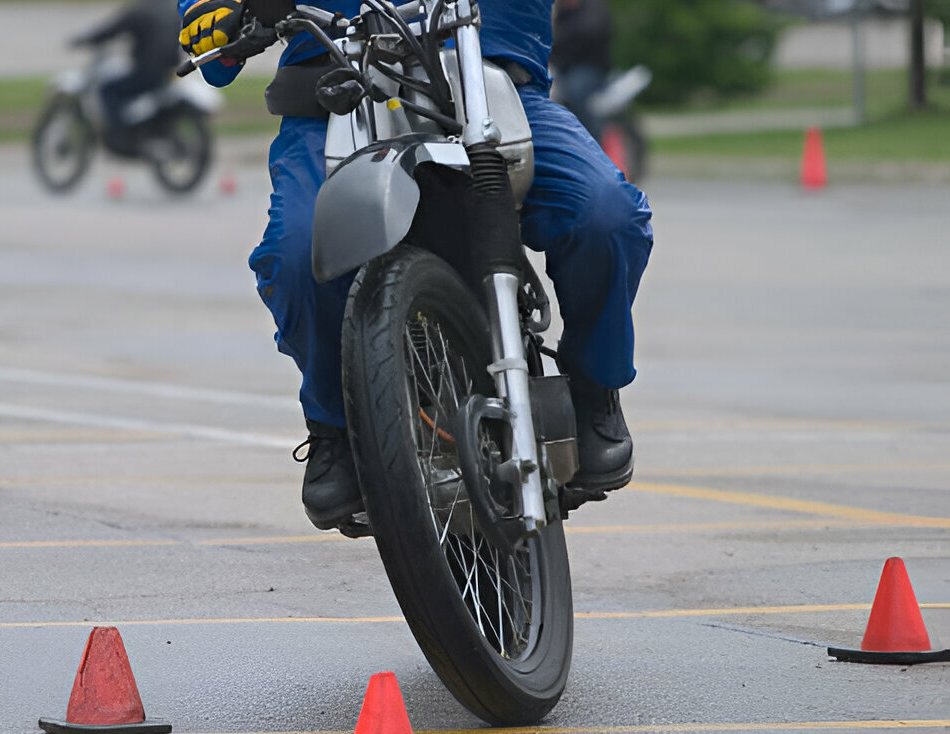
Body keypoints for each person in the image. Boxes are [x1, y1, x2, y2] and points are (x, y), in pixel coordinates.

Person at [180, 0, 653, 531]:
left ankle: (594, 389)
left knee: (606, 216)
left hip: (486, 82)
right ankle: (336, 427)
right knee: (297, 254)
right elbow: (214, 49)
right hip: (336, 94)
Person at [72, 0, 183, 132]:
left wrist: (85, 40)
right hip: (168, 73)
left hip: (146, 73)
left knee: (106, 89)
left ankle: (117, 133)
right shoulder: (173, 9)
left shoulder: (141, 10)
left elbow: (112, 29)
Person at [550, 0, 614, 142]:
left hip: (590, 67)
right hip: (564, 67)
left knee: (573, 93)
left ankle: (592, 139)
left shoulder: (593, 7)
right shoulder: (563, 11)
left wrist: (559, 40)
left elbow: (590, 32)